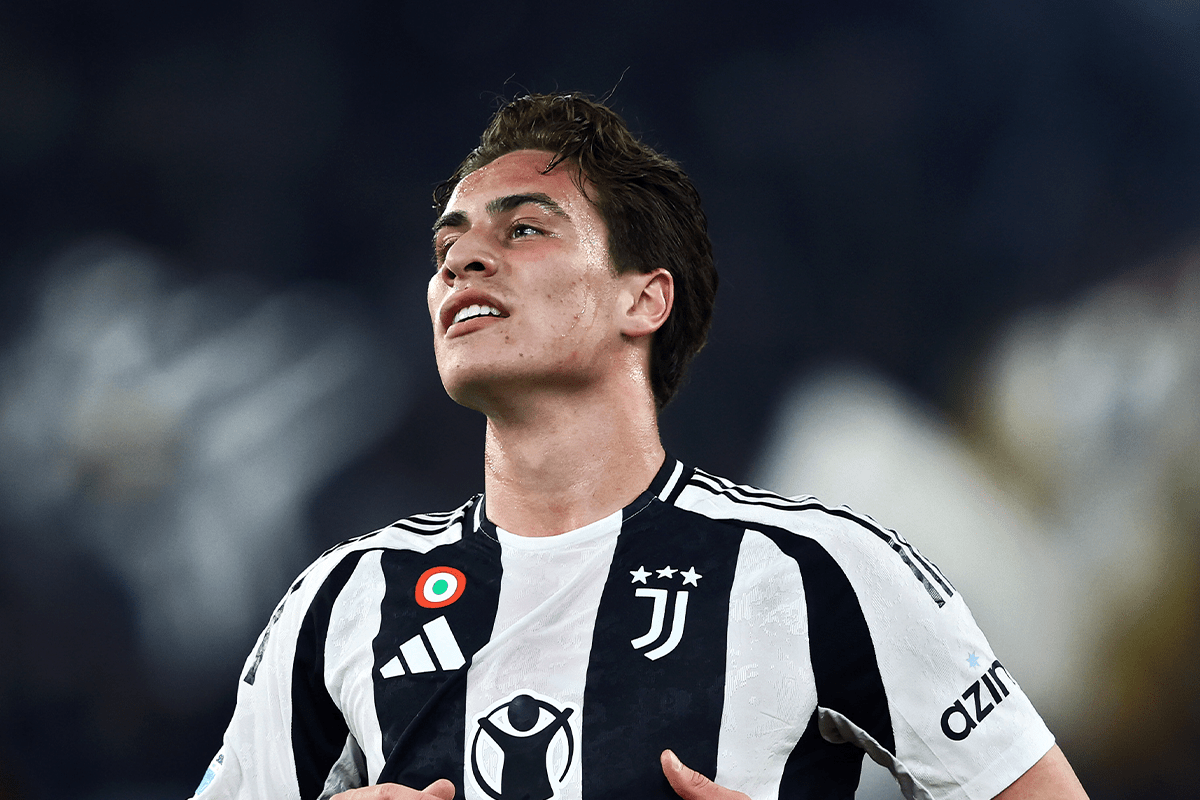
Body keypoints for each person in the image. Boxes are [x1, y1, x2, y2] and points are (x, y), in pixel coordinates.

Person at [191, 93, 1089, 800]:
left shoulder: (822, 571)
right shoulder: (343, 598)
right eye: (448, 245)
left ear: (643, 299)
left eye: (524, 228)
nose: (461, 261)